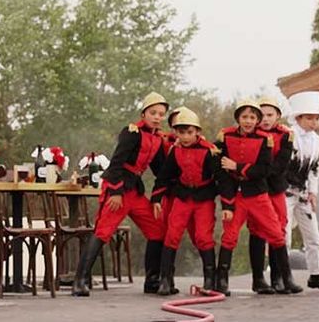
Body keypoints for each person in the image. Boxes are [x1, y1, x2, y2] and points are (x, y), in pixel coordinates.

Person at [72, 92, 168, 297]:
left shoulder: (158, 139)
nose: (157, 117)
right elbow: (116, 162)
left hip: (135, 190)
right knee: (102, 231)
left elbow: (160, 171)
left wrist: (159, 197)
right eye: (153, 113)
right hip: (118, 188)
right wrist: (115, 191)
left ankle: (152, 281)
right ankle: (79, 281)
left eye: (161, 114)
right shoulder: (131, 132)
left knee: (157, 229)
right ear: (144, 114)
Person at [216, 100, 299, 295]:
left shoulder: (271, 138)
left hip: (263, 192)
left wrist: (237, 167)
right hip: (237, 194)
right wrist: (227, 202)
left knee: (277, 233)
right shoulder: (225, 135)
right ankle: (224, 281)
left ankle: (285, 279)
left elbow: (268, 168)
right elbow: (216, 161)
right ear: (238, 118)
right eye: (244, 117)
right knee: (231, 236)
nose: (248, 121)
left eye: (253, 117)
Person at [151, 107, 220, 295]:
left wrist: (228, 203)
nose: (186, 137)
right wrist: (156, 197)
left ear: (197, 132)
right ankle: (165, 280)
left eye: (189, 132)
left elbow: (221, 178)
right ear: (176, 133)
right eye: (181, 132)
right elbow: (164, 176)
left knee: (203, 237)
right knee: (172, 234)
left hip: (204, 198)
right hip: (182, 197)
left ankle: (209, 280)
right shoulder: (175, 150)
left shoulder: (209, 151)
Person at [285, 91, 319, 292]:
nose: (313, 122)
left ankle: (316, 275)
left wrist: (313, 192)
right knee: (284, 236)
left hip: (303, 192)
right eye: (309, 118)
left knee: (313, 236)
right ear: (298, 117)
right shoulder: (288, 135)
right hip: (284, 192)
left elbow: (314, 169)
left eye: (316, 118)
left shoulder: (317, 140)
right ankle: (283, 275)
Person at [247, 97, 294, 294]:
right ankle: (258, 278)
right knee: (257, 230)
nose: (265, 119)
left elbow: (282, 164)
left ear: (278, 116)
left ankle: (279, 277)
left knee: (279, 229)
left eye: (270, 115)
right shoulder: (250, 136)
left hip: (274, 188)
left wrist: (262, 171)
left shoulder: (284, 136)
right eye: (262, 115)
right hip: (256, 189)